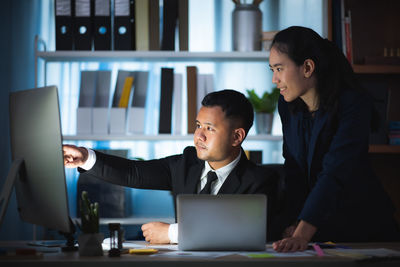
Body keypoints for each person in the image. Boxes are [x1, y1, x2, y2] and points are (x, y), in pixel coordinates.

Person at [63, 89, 278, 244]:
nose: (198, 136)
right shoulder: (185, 163)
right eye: (197, 126)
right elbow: (133, 172)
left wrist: (173, 233)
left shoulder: (259, 181)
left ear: (236, 136)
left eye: (209, 128)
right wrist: (84, 157)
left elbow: (245, 232)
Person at [269, 26, 400, 252]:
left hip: (363, 227)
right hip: (316, 229)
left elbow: (336, 170)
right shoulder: (288, 105)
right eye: (272, 69)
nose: (274, 79)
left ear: (307, 67)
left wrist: (302, 233)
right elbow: (294, 169)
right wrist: (294, 223)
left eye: (279, 68)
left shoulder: (353, 103)